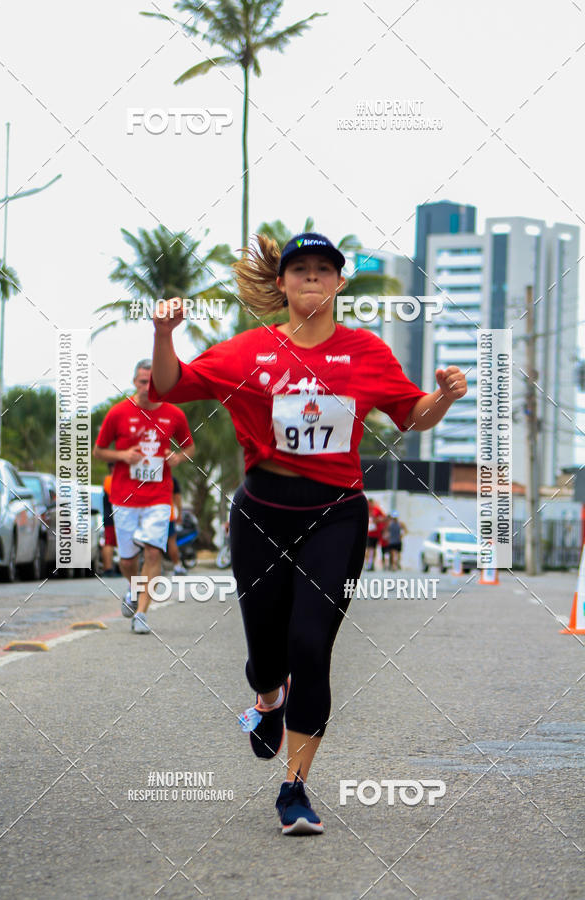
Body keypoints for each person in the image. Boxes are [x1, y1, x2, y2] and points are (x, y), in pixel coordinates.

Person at [149, 231, 467, 833]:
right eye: (302, 270)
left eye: (325, 269)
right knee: (266, 658)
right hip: (262, 513)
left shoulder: (366, 352)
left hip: (335, 515)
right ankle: (265, 706)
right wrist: (164, 336)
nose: (314, 278)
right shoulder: (248, 351)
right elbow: (171, 386)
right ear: (283, 284)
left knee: (310, 646)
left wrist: (444, 397)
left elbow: (412, 414)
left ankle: (293, 788)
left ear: (341, 283)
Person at [93, 359, 195, 634]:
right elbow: (99, 451)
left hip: (159, 495)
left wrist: (177, 457)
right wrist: (123, 455)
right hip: (125, 497)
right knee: (127, 561)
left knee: (152, 552)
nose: (147, 387)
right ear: (134, 382)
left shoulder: (174, 415)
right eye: (142, 382)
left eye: (152, 382)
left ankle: (141, 614)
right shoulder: (118, 413)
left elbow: (189, 446)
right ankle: (133, 587)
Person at [167, 474, 187, 575]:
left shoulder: (148, 476)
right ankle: (177, 566)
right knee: (171, 541)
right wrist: (179, 514)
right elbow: (177, 498)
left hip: (149, 514)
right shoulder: (171, 479)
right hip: (168, 515)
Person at [101, 463, 118, 576]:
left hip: (114, 516)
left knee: (113, 543)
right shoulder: (110, 480)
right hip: (111, 516)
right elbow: (116, 497)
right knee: (109, 542)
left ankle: (112, 567)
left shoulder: (112, 479)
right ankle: (108, 569)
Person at [365, 497, 385, 571]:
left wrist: (376, 519)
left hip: (375, 533)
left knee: (373, 549)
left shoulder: (377, 510)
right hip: (367, 533)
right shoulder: (365, 508)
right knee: (368, 549)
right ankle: (367, 563)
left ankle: (371, 564)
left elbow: (383, 518)